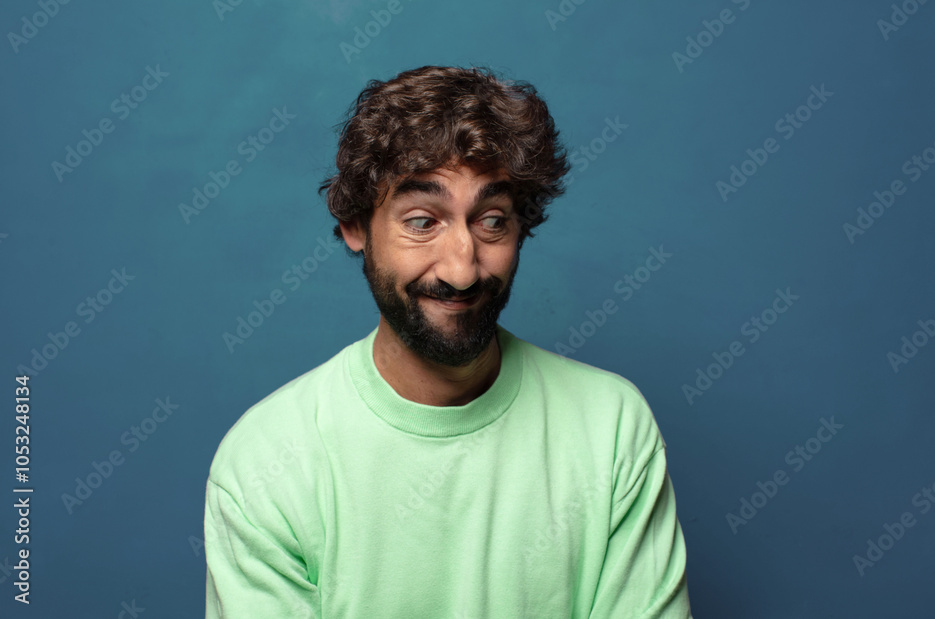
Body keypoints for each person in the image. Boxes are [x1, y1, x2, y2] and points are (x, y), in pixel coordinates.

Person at [203, 65, 693, 618]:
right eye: (421, 221)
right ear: (355, 226)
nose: (462, 270)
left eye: (491, 221)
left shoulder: (611, 427)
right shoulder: (267, 460)